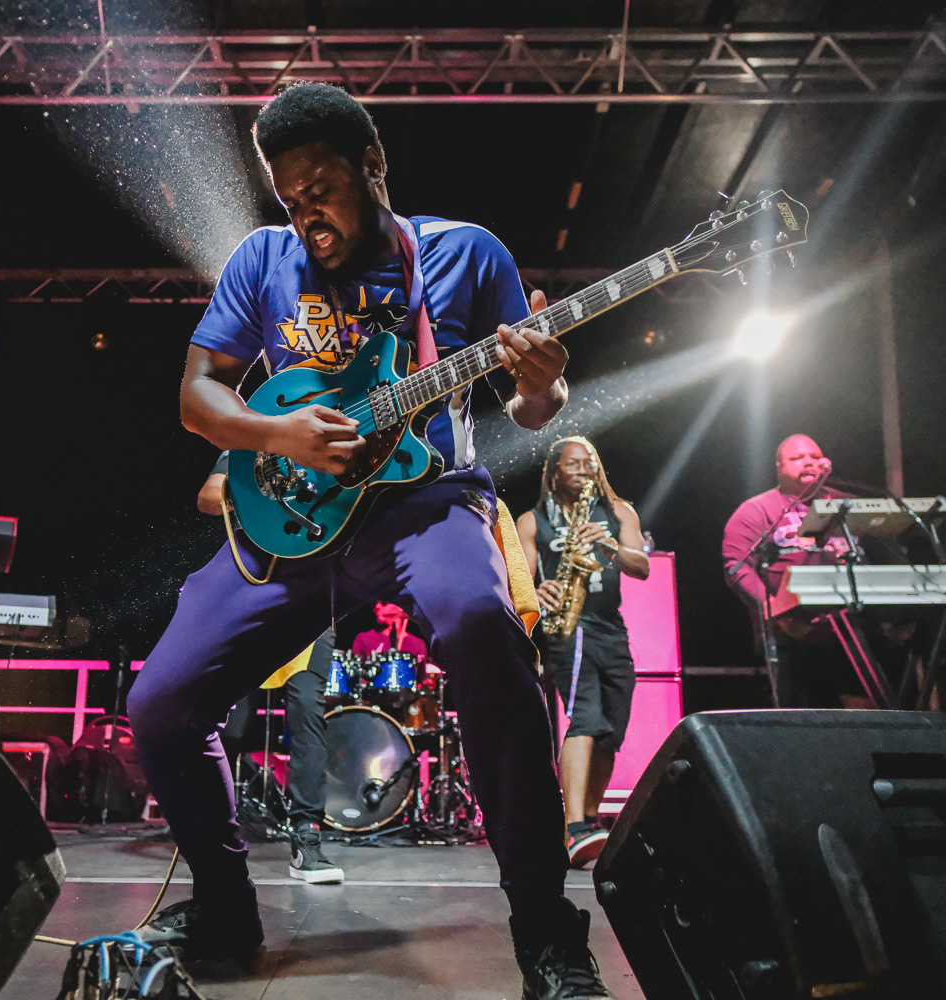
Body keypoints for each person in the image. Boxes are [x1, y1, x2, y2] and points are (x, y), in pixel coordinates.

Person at [129, 82, 612, 999]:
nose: (305, 214)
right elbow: (199, 396)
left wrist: (542, 384)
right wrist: (278, 435)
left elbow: (532, 406)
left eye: (321, 189)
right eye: (289, 197)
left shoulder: (464, 253)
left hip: (423, 505)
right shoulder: (263, 260)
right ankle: (225, 910)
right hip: (296, 520)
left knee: (480, 624)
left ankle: (549, 935)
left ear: (374, 166)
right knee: (160, 701)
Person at [199, 452, 344, 884]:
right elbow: (208, 497)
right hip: (251, 589)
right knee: (229, 718)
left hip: (312, 596)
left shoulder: (326, 442)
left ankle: (306, 838)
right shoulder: (247, 446)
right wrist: (259, 495)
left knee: (307, 715)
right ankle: (212, 831)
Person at [515, 437, 648, 870]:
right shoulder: (533, 521)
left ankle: (588, 823)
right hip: (567, 630)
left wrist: (610, 546)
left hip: (611, 629)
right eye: (571, 463)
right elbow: (519, 584)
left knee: (611, 729)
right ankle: (572, 826)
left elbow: (642, 567)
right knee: (587, 718)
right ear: (554, 470)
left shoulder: (619, 512)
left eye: (588, 461)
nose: (582, 468)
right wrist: (536, 591)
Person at [721, 435, 867, 708]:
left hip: (853, 625)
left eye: (815, 457)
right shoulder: (756, 510)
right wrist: (772, 607)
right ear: (779, 466)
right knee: (803, 712)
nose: (808, 463)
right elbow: (737, 567)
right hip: (792, 630)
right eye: (797, 458)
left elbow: (881, 550)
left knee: (866, 710)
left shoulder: (849, 504)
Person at [351, 601, 428, 659]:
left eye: (384, 603)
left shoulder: (418, 644)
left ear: (400, 607)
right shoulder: (363, 639)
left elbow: (422, 675)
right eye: (374, 604)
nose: (377, 606)